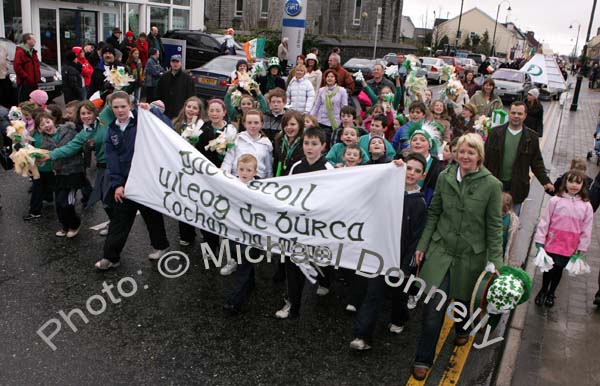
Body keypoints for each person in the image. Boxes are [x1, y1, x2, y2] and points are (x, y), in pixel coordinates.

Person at [411, 133, 503, 380]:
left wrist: (496, 263)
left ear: (479, 156)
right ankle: (423, 358)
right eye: (461, 151)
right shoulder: (444, 177)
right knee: (432, 308)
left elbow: (494, 226)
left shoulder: (492, 185)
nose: (465, 156)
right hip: (441, 251)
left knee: (463, 303)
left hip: (471, 256)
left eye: (471, 152)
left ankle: (462, 328)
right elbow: (434, 213)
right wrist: (423, 245)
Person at [350, 153, 427, 350]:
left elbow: (416, 237)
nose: (411, 173)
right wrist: (391, 167)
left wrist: (407, 264)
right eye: (408, 168)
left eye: (417, 171)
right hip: (380, 254)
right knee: (373, 293)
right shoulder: (389, 191)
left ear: (423, 175)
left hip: (401, 257)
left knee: (399, 294)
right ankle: (362, 336)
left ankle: (400, 319)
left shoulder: (419, 203)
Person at [94, 92, 170, 270]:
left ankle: (161, 245)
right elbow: (111, 159)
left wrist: (153, 111)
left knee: (151, 215)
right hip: (126, 182)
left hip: (145, 178)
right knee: (120, 219)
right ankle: (111, 257)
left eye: (123, 106)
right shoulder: (112, 129)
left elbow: (166, 129)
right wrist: (118, 184)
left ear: (130, 105)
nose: (120, 110)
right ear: (111, 108)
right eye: (116, 107)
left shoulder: (142, 120)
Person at [275, 127, 334, 319]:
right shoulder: (296, 166)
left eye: (314, 144)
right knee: (294, 265)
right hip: (298, 226)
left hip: (317, 227)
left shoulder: (328, 169)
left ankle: (325, 285)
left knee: (319, 262)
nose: (309, 147)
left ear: (323, 146)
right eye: (306, 143)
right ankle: (293, 304)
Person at [533, 170, 593, 307]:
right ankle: (543, 290)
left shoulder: (586, 206)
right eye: (571, 181)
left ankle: (551, 292)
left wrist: (582, 247)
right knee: (548, 268)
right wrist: (540, 240)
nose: (574, 185)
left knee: (558, 270)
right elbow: (545, 221)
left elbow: (587, 229)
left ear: (583, 185)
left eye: (578, 182)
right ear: (565, 183)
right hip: (552, 242)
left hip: (569, 245)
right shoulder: (555, 201)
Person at [484, 101, 555, 215]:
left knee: (511, 223)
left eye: (520, 114)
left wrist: (545, 182)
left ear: (525, 115)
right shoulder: (495, 133)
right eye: (513, 113)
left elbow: (536, 162)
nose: (516, 116)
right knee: (490, 218)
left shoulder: (531, 137)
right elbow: (485, 159)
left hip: (517, 187)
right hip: (495, 184)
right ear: (509, 114)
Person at [222, 154, 262, 315]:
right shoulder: (233, 184)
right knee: (242, 261)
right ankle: (250, 284)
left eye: (248, 170)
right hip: (234, 232)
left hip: (251, 235)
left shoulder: (260, 187)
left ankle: (234, 302)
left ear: (255, 171)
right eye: (241, 169)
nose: (244, 173)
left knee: (243, 265)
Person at [36, 111, 85, 238]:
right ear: (39, 128)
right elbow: (44, 158)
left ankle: (74, 224)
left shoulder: (68, 130)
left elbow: (79, 146)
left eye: (47, 121)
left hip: (74, 172)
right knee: (59, 203)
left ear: (53, 121)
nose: (46, 125)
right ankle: (65, 226)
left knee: (66, 203)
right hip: (59, 173)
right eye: (42, 125)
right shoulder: (44, 141)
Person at [221, 109, 273, 179]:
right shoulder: (237, 139)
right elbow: (228, 161)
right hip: (236, 179)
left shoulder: (266, 143)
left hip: (257, 181)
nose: (253, 126)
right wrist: (224, 177)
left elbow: (268, 168)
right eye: (249, 122)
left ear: (262, 124)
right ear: (244, 124)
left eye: (256, 123)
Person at [311, 69, 349, 147]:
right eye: (328, 76)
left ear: (335, 79)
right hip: (322, 121)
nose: (329, 78)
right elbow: (317, 105)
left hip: (335, 122)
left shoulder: (342, 91)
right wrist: (312, 117)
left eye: (332, 76)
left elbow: (344, 107)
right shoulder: (322, 90)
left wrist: (345, 119)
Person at [156, 54, 195, 119]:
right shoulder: (164, 77)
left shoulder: (187, 78)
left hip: (180, 113)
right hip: (165, 112)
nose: (175, 64)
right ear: (170, 63)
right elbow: (158, 94)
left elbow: (191, 96)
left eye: (177, 62)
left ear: (181, 63)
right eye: (173, 62)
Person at [273, 110, 304, 176]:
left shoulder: (305, 142)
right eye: (286, 125)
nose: (289, 127)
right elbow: (275, 162)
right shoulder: (278, 140)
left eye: (292, 124)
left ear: (300, 125)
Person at [13, 33, 41, 103]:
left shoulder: (33, 52)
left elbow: (37, 66)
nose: (35, 41)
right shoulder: (20, 52)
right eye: (33, 39)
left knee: (35, 103)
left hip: (34, 84)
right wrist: (26, 77)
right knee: (24, 104)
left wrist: (38, 77)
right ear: (27, 41)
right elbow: (17, 67)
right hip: (25, 84)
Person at [502, 192, 519, 263]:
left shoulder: (512, 219)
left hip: (504, 248)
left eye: (503, 211)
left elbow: (512, 238)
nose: (501, 213)